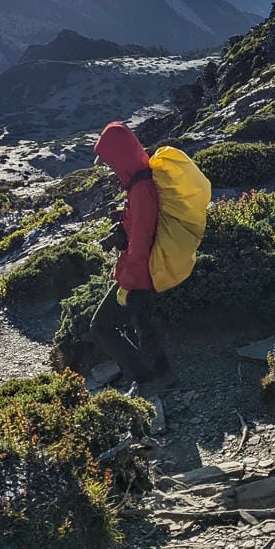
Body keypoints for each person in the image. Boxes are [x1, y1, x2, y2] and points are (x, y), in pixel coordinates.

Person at [89, 121, 173, 386]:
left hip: (140, 273)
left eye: (110, 161)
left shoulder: (141, 190)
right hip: (145, 270)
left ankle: (144, 377)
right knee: (144, 326)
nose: (109, 167)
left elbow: (140, 240)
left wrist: (127, 281)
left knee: (100, 327)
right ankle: (161, 376)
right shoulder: (140, 181)